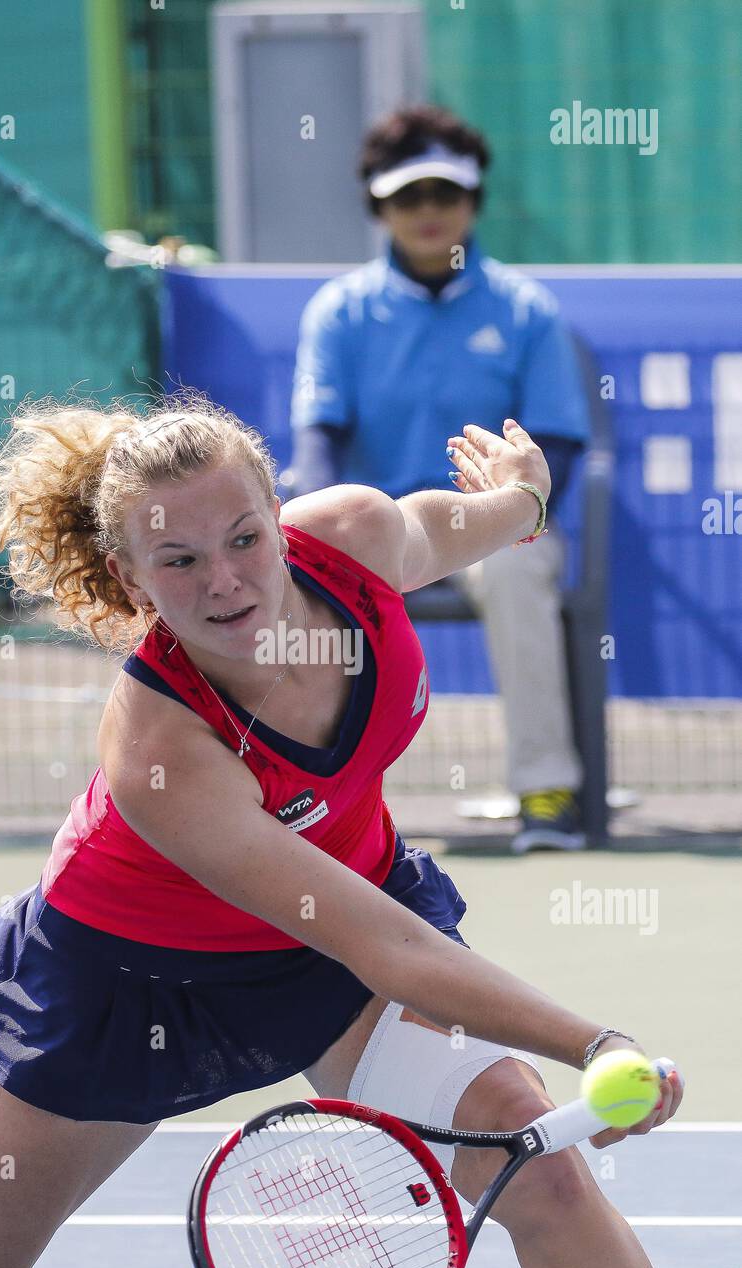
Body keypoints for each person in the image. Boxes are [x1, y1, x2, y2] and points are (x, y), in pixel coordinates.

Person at [0, 392, 681, 1268]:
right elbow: (392, 947)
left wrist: (525, 501)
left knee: (547, 1171)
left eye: (244, 539)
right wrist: (599, 1042)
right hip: (132, 985)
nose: (224, 580)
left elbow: (480, 521)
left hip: (338, 948)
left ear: (280, 521)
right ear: (131, 577)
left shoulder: (356, 540)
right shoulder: (161, 749)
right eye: (178, 560)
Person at [285, 105, 591, 853]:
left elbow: (558, 441)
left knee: (522, 576)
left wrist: (519, 511)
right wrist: (312, 546)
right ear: (379, 207)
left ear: (473, 202)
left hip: (486, 528)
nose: (427, 213)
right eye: (406, 197)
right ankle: (297, 800)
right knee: (282, 579)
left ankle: (545, 790)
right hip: (371, 530)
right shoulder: (339, 313)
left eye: (444, 195)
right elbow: (317, 440)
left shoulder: (526, 312)